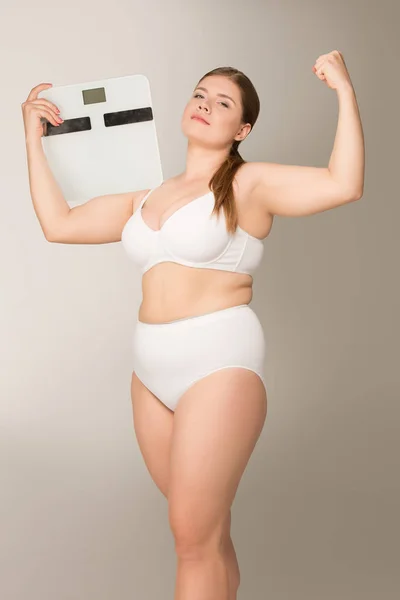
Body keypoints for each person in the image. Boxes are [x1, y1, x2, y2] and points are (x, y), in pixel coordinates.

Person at [22, 53, 364, 600]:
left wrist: (343, 90)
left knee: (191, 540)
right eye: (200, 94)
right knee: (206, 534)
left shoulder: (248, 184)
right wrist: (33, 143)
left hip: (217, 366)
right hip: (150, 374)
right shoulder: (146, 195)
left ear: (243, 128)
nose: (206, 105)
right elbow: (59, 225)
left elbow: (343, 184)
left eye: (223, 103)